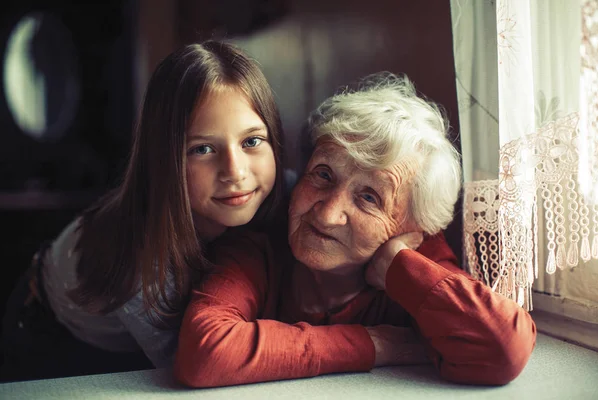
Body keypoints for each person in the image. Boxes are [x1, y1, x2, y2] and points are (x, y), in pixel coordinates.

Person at [175, 73, 537, 388]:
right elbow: (204, 352)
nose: (328, 214)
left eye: (368, 197)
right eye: (323, 175)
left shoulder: (417, 261)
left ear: (413, 228)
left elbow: (504, 346)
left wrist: (399, 268)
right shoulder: (259, 243)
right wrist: (373, 345)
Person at [1, 40, 285, 381]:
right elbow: (206, 368)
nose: (235, 172)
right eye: (203, 149)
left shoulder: (291, 193)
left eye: (251, 141)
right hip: (48, 331)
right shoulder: (143, 264)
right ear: (163, 159)